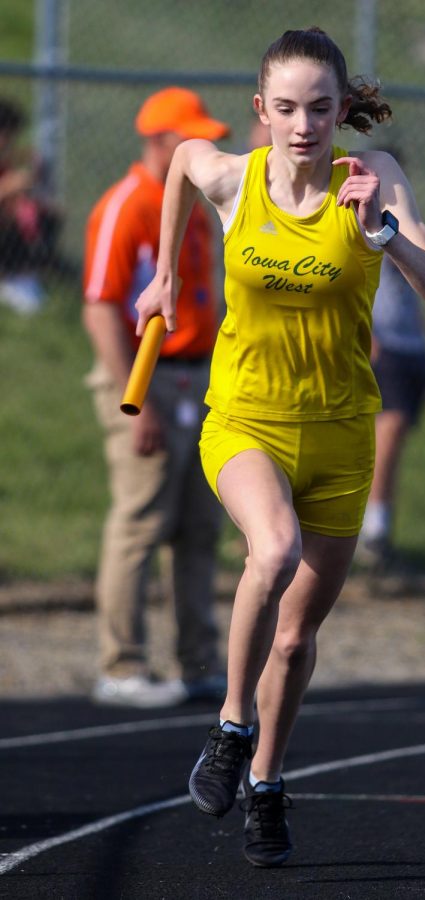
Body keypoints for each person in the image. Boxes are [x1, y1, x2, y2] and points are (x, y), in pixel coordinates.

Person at [135, 27, 425, 867]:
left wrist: (384, 234)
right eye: (286, 108)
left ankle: (269, 785)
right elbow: (179, 162)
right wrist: (165, 274)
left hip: (342, 435)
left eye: (321, 107)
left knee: (294, 637)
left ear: (342, 109)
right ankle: (230, 728)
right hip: (246, 420)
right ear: (262, 112)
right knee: (269, 552)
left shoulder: (375, 178)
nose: (304, 125)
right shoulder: (235, 179)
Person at [83, 87, 230, 708]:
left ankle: (197, 661)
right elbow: (99, 307)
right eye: (187, 136)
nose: (201, 148)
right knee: (140, 523)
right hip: (146, 376)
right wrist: (131, 398)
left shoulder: (191, 206)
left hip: (198, 377)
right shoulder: (126, 205)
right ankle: (121, 665)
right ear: (158, 140)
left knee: (199, 525)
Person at [358, 252, 425, 564]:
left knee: (392, 435)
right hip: (381, 341)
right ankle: (374, 528)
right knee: (389, 428)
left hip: (411, 343)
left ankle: (377, 525)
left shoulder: (400, 218)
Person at [0, 96, 62, 314]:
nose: (10, 142)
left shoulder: (8, 159)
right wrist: (12, 185)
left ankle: (29, 272)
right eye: (8, 135)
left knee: (47, 214)